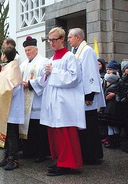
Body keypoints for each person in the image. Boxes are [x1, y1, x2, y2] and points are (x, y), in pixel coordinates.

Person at [40, 27, 85, 176]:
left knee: (64, 133)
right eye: (49, 40)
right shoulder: (51, 59)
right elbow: (45, 80)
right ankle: (59, 160)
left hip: (64, 102)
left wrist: (53, 72)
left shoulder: (69, 57)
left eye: (54, 40)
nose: (51, 43)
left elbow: (74, 78)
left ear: (62, 39)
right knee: (54, 132)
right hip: (53, 101)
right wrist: (46, 74)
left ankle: (67, 164)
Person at [68, 28, 106, 165]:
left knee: (90, 127)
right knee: (83, 128)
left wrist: (89, 95)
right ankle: (85, 154)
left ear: (78, 37)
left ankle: (92, 155)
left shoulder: (87, 51)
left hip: (87, 97)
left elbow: (90, 73)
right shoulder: (76, 51)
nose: (68, 39)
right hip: (80, 96)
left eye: (70, 37)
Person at [0, 46, 24, 170]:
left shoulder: (13, 68)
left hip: (12, 107)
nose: (1, 56)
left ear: (5, 55)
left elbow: (11, 87)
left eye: (2, 53)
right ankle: (7, 156)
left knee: (12, 135)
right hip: (6, 106)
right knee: (7, 133)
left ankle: (14, 160)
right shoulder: (8, 67)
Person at [19, 36, 50, 162]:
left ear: (36, 50)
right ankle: (28, 151)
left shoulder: (44, 61)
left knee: (39, 130)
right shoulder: (23, 64)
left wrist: (29, 84)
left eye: (29, 50)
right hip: (26, 102)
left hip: (38, 100)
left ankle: (41, 153)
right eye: (25, 50)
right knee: (28, 127)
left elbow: (45, 78)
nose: (27, 52)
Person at [99, 62, 122, 149]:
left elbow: (121, 91)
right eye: (108, 69)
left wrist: (115, 94)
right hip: (109, 106)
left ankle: (113, 142)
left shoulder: (117, 81)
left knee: (112, 125)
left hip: (113, 107)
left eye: (110, 70)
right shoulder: (107, 81)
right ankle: (111, 140)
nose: (108, 71)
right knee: (110, 125)